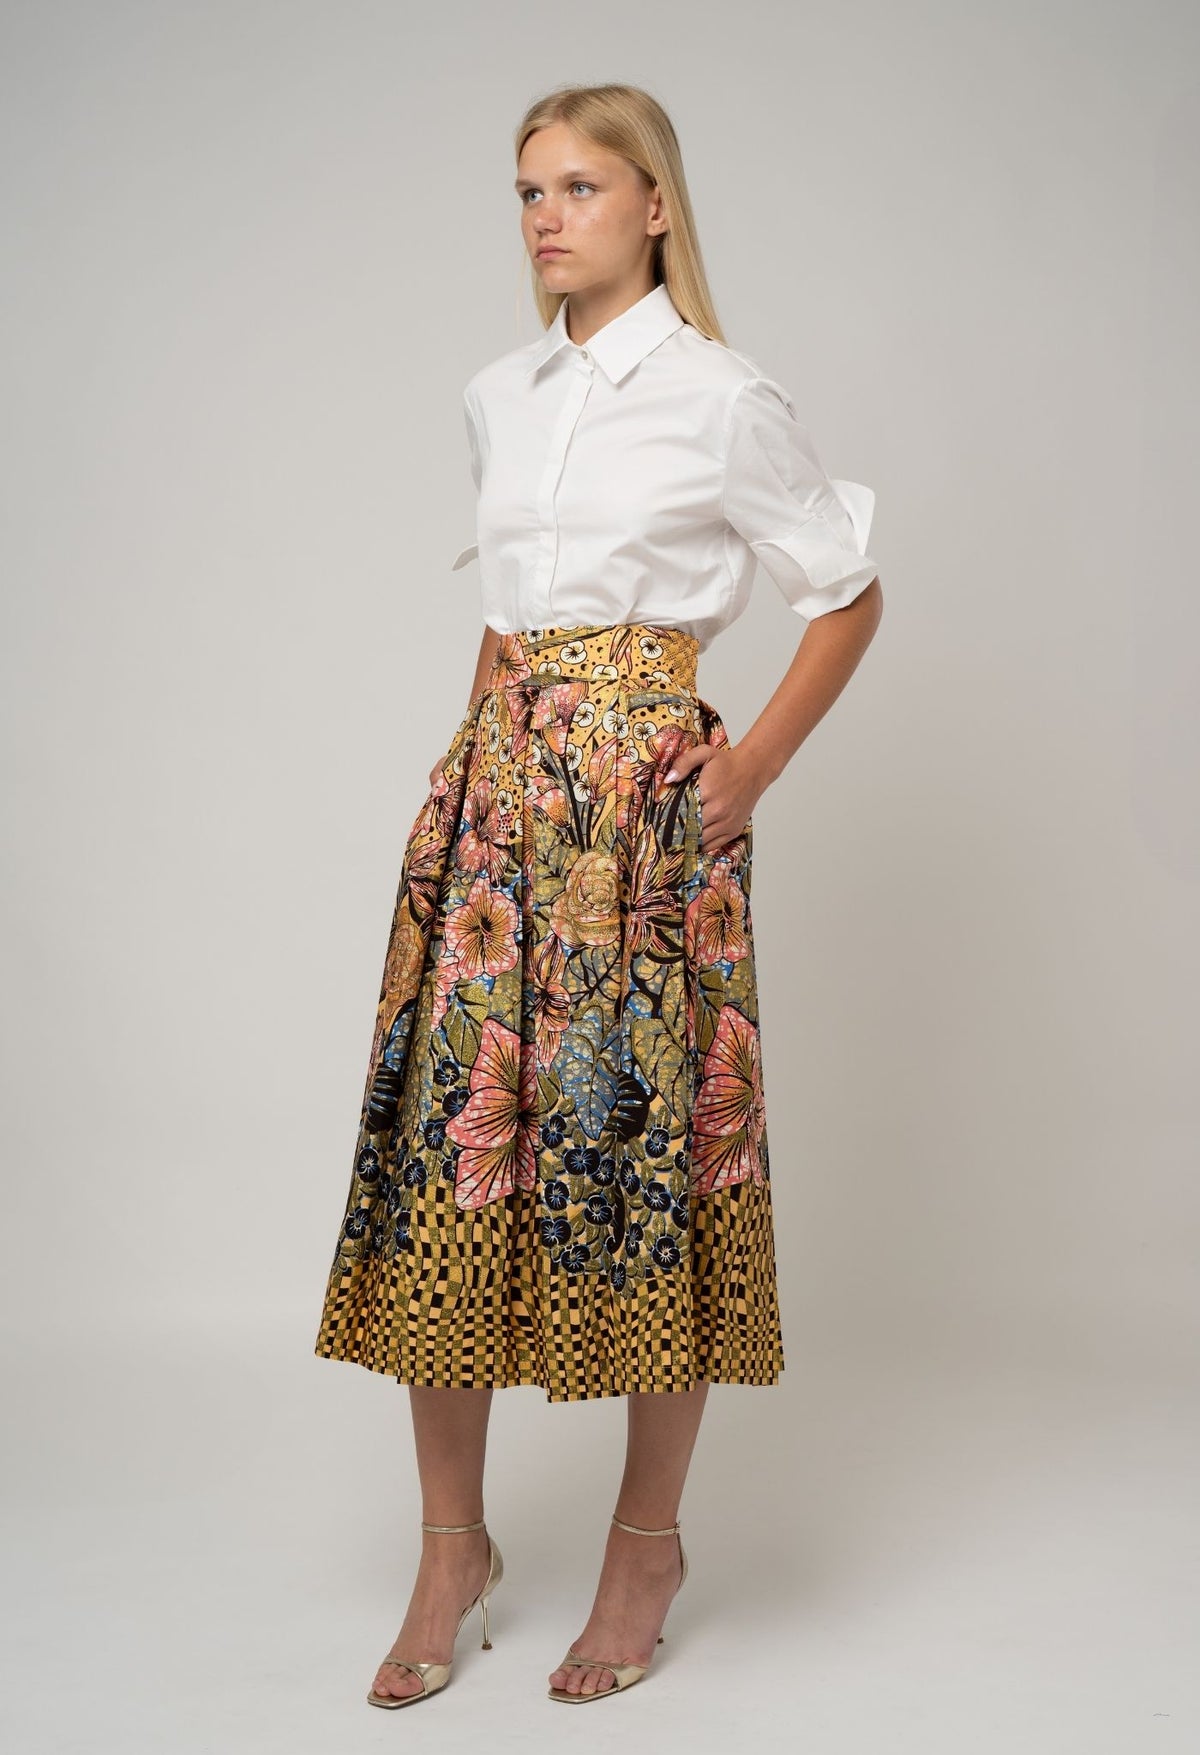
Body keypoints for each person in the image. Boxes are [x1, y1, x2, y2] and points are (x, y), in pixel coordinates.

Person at [313, 81, 883, 1709]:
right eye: (524, 190)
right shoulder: (499, 392)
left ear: (655, 207)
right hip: (497, 808)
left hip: (644, 822)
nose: (545, 215)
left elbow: (842, 595)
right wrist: (466, 772)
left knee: (646, 1151)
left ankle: (647, 1545)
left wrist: (751, 764)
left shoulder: (721, 398)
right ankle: (450, 1543)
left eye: (578, 185)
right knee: (458, 1154)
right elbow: (508, 615)